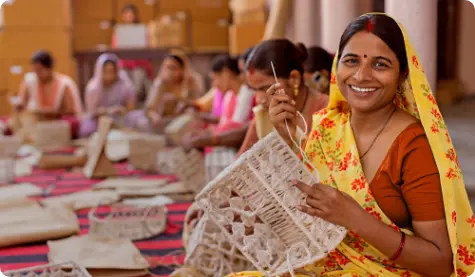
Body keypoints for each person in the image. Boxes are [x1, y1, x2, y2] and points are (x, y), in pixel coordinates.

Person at [229, 13, 475, 277]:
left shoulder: (411, 146)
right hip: (323, 267)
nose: (361, 75)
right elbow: (302, 219)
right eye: (351, 61)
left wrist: (356, 219)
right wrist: (287, 139)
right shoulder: (327, 126)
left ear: (403, 74)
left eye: (380, 64)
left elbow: (439, 263)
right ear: (337, 66)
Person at [236, 40, 329, 157]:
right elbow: (241, 168)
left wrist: (286, 142)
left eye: (265, 88)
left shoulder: (327, 110)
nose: (259, 99)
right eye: (254, 90)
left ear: (294, 78)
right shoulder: (263, 115)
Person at [181, 54, 254, 151]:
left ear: (226, 73)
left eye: (214, 78)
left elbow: (235, 126)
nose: (214, 84)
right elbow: (224, 122)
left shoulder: (247, 91)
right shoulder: (229, 95)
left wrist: (207, 137)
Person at [123, 49, 204, 133]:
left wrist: (179, 101)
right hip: (164, 120)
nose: (169, 72)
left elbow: (199, 104)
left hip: (184, 120)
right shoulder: (161, 83)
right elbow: (149, 108)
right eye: (167, 67)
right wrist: (155, 115)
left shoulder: (193, 81)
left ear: (182, 69)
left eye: (173, 68)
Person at [78, 53, 136, 137]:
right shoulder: (93, 87)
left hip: (120, 118)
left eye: (112, 71)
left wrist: (122, 110)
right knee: (88, 130)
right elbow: (92, 111)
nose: (109, 75)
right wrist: (107, 111)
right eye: (106, 71)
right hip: (98, 120)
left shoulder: (125, 84)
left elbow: (131, 106)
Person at [112, 3, 152, 104]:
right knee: (124, 84)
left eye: (131, 14)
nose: (129, 16)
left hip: (139, 63)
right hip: (124, 63)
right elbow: (114, 48)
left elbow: (147, 46)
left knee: (137, 85)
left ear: (135, 15)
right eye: (126, 14)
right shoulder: (118, 31)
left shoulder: (143, 30)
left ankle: (136, 104)